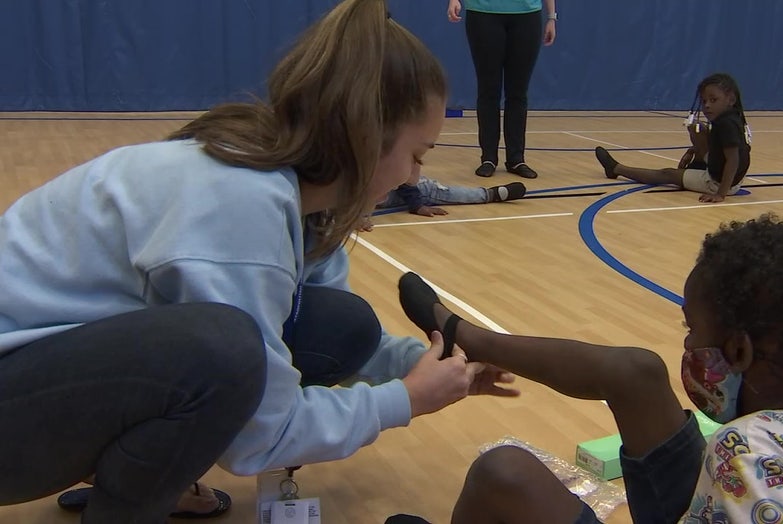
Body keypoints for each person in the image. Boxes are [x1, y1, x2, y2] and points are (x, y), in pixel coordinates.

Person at [0, 1, 517, 522]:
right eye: (418, 155)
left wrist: (426, 368)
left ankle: (145, 471)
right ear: (365, 137)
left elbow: (312, 351)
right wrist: (405, 400)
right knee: (222, 349)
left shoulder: (290, 189)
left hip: (40, 377)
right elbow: (260, 435)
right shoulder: (239, 202)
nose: (412, 178)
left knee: (343, 325)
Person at [393, 213, 783, 523]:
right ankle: (466, 335)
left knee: (501, 472)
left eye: (692, 329)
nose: (689, 343)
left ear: (738, 352)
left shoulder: (743, 455)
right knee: (638, 371)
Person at [595, 73, 751, 203]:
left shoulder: (726, 124)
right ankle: (698, 163)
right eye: (704, 101)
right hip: (728, 174)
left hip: (718, 183)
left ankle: (616, 168)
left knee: (667, 174)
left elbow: (733, 160)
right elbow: (722, 147)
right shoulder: (730, 118)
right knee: (696, 126)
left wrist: (720, 194)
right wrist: (693, 150)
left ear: (730, 99)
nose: (707, 106)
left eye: (713, 100)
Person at [447, 0, 557, 179]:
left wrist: (551, 17)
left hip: (527, 15)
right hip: (483, 13)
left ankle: (516, 158)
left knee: (518, 92)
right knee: (488, 89)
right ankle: (488, 158)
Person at [359, 168, 526, 230]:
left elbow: (400, 176)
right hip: (371, 196)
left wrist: (417, 205)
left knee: (435, 190)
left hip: (405, 190)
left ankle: (489, 194)